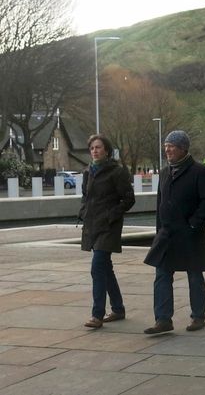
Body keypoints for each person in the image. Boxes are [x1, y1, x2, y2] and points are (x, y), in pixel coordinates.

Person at [143, 130, 205, 334]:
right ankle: (163, 319)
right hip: (167, 235)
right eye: (166, 146)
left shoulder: (199, 172)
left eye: (172, 146)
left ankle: (198, 316)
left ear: (183, 149)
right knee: (161, 275)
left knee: (194, 275)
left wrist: (194, 224)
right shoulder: (165, 172)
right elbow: (160, 203)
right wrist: (159, 230)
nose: (167, 149)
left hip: (189, 234)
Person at [79, 134, 135, 329]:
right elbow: (85, 196)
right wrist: (83, 211)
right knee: (105, 269)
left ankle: (97, 315)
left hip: (109, 227)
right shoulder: (88, 172)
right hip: (93, 225)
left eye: (98, 147)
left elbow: (129, 199)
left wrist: (112, 215)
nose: (95, 150)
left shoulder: (116, 172)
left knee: (97, 268)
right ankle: (118, 309)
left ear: (107, 150)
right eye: (92, 148)